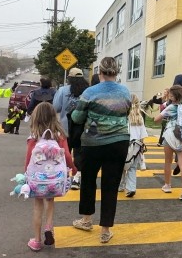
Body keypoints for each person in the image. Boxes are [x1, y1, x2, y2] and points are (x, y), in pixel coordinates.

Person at [71, 57, 131, 244]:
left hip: (93, 143)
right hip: (119, 143)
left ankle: (87, 220)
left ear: (100, 72)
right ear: (117, 72)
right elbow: (127, 113)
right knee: (110, 185)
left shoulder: (90, 92)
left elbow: (78, 117)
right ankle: (105, 230)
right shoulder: (126, 92)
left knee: (88, 180)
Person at [25, 102, 76, 251]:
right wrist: (73, 167)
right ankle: (49, 228)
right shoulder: (59, 134)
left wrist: (26, 174)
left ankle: (36, 240)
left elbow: (29, 157)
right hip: (54, 179)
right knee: (50, 202)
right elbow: (66, 154)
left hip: (38, 178)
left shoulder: (34, 135)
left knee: (37, 205)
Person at [52, 67, 90, 190]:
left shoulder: (63, 90)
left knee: (63, 154)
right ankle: (77, 179)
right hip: (82, 128)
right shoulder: (88, 91)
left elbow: (56, 107)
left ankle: (64, 178)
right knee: (79, 154)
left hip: (65, 129)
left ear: (69, 78)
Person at [154, 85, 182, 201]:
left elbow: (156, 120)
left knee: (168, 161)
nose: (169, 97)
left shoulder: (171, 108)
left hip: (171, 135)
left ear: (175, 96)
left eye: (171, 95)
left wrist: (164, 114)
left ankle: (167, 185)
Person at [119, 94, 148, 198]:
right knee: (132, 168)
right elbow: (142, 135)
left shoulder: (123, 116)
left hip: (124, 144)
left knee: (121, 167)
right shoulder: (139, 117)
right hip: (136, 146)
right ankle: (131, 188)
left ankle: (120, 186)